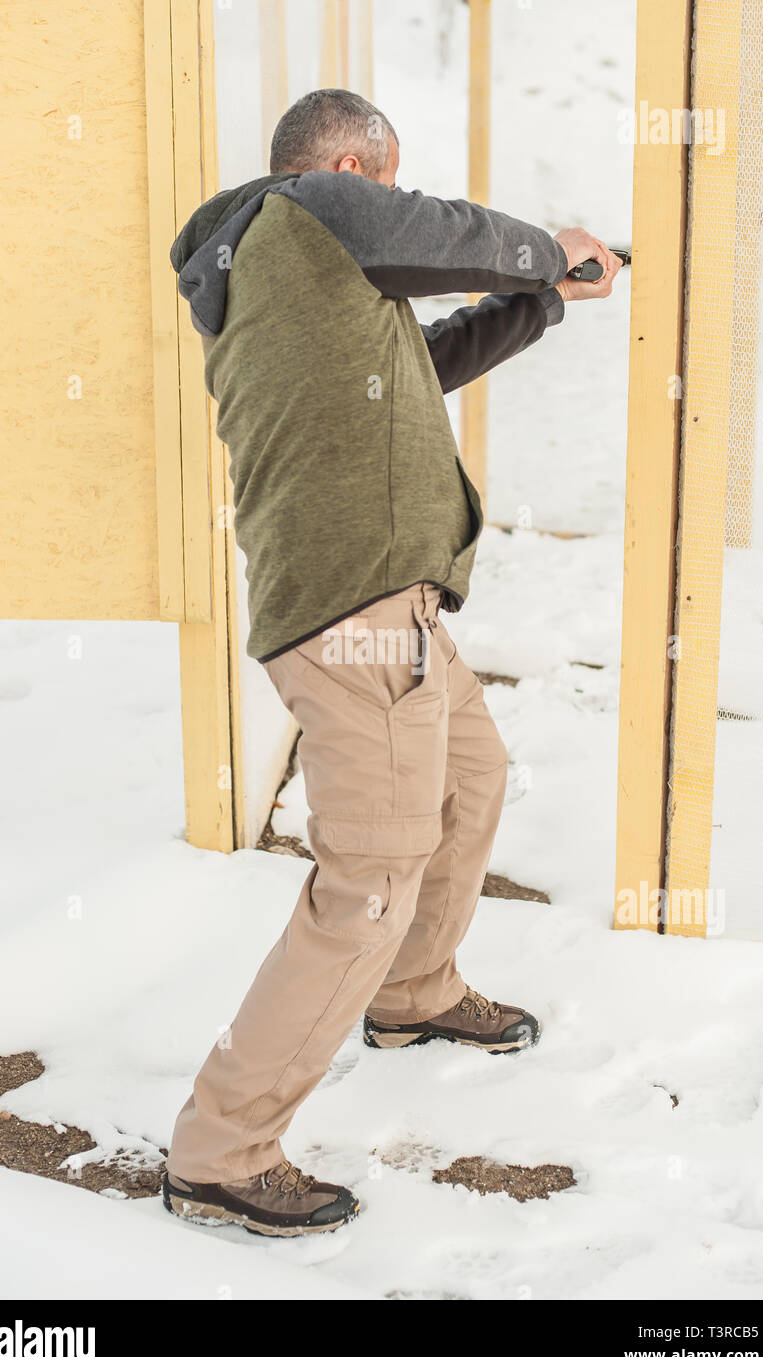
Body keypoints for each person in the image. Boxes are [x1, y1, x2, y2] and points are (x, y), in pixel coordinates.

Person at [162, 89, 622, 1237]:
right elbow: (437, 233)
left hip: (394, 613)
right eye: (387, 182)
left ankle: (414, 995)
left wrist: (541, 301)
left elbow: (429, 358)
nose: (389, 207)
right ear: (354, 167)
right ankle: (220, 1151)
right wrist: (543, 248)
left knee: (473, 780)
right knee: (365, 881)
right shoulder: (306, 210)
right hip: (355, 618)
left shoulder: (295, 290)